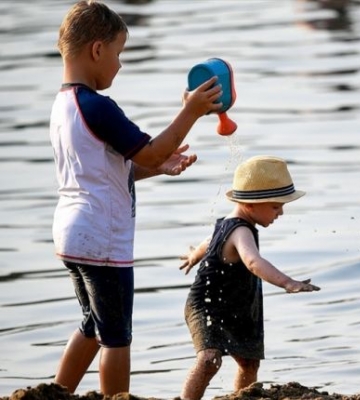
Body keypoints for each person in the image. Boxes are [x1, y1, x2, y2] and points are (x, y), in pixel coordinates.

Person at [50, 0, 222, 396]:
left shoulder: (64, 105)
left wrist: (157, 167)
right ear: (97, 50)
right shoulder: (99, 106)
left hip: (71, 233)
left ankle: (56, 393)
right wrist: (191, 112)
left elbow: (109, 168)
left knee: (92, 324)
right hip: (102, 237)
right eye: (118, 54)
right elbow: (150, 150)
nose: (120, 65)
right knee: (116, 336)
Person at [178, 155, 320, 400]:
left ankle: (241, 397)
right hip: (207, 306)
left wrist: (195, 255)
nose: (281, 213)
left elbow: (208, 242)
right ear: (251, 205)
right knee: (209, 359)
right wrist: (288, 283)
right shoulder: (241, 230)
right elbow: (253, 262)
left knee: (249, 361)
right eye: (276, 206)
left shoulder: (229, 224)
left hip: (236, 306)